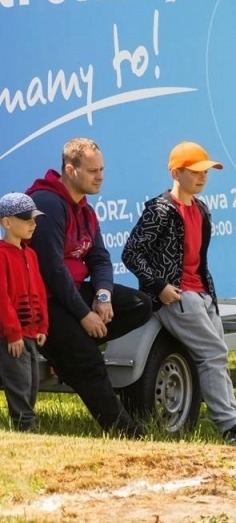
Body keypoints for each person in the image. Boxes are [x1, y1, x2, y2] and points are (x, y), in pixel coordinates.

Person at [121, 143, 236, 447]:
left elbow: (197, 260)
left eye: (206, 171)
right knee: (214, 354)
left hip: (202, 294)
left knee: (217, 355)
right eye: (196, 171)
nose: (203, 177)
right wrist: (160, 287)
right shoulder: (160, 209)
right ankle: (231, 428)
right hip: (177, 296)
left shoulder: (201, 210)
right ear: (176, 173)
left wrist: (207, 295)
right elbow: (131, 253)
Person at [27, 138, 152, 437]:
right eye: (93, 171)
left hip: (72, 295)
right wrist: (84, 315)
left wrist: (103, 295)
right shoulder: (46, 204)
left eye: (102, 169)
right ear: (70, 170)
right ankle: (125, 432)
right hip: (44, 300)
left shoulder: (85, 209)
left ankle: (70, 350)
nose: (101, 176)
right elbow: (52, 272)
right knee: (90, 363)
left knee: (140, 305)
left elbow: (99, 258)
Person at [0, 193, 49, 433]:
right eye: (26, 219)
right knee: (18, 382)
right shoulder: (1, 255)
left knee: (32, 383)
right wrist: (13, 333)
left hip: (30, 333)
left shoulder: (31, 254)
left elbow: (39, 291)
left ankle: (26, 426)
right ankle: (24, 427)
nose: (33, 224)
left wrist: (42, 326)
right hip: (13, 337)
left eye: (34, 219)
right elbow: (2, 299)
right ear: (7, 222)